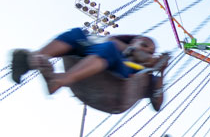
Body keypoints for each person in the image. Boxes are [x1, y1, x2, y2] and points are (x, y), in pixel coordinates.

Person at [10, 28, 167, 100]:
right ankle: (34, 60)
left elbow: (157, 103)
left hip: (122, 75)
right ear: (133, 41)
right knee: (77, 34)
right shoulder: (116, 44)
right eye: (145, 45)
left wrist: (159, 70)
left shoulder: (145, 71)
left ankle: (60, 80)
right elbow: (113, 42)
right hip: (95, 56)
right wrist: (133, 50)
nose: (148, 52)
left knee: (109, 48)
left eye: (152, 52)